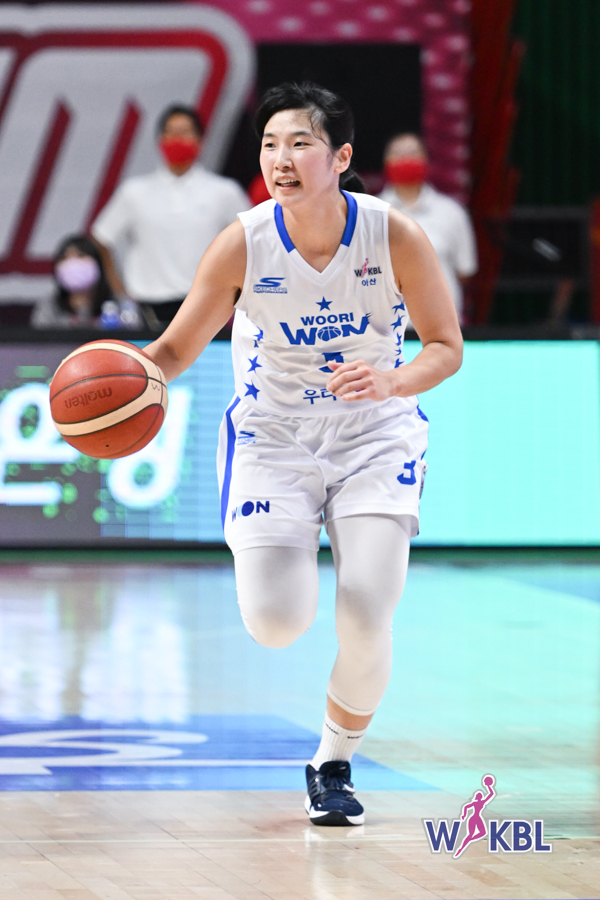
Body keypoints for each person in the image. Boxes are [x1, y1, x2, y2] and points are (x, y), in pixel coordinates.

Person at [145, 83, 463, 826]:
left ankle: (333, 761)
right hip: (273, 438)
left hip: (373, 434)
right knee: (276, 622)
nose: (280, 159)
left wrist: (392, 380)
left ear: (341, 157)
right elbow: (173, 350)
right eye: (269, 145)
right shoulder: (243, 241)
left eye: (299, 144)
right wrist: (119, 382)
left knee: (368, 612)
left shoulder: (393, 234)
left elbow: (446, 347)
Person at [91, 104, 250, 328]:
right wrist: (120, 291)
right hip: (147, 310)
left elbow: (254, 238)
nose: (177, 140)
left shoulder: (224, 191)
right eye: (171, 132)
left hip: (206, 308)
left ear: (200, 139)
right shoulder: (134, 192)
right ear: (160, 140)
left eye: (185, 132)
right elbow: (101, 238)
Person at [379, 133, 477, 323]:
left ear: (426, 160)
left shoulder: (452, 212)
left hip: (443, 327)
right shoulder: (369, 214)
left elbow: (464, 271)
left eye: (413, 153)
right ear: (386, 162)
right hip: (387, 330)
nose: (406, 160)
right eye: (398, 154)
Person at [31, 234, 128, 329]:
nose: (72, 263)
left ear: (97, 263)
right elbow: (39, 337)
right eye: (65, 257)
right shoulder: (49, 307)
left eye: (81, 255)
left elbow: (132, 333)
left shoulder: (118, 304)